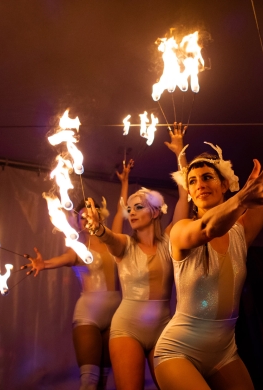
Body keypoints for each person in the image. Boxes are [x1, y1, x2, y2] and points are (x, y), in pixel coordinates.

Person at [152, 86, 263, 390]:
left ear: (225, 184)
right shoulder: (180, 230)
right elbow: (210, 228)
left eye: (207, 177)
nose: (199, 184)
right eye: (192, 181)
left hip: (225, 352)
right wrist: (242, 200)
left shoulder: (241, 230)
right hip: (177, 352)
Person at [84, 123, 189, 390]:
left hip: (163, 330)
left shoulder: (170, 240)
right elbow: (108, 236)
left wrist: (180, 154)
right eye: (129, 208)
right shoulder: (124, 245)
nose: (131, 212)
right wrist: (97, 227)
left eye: (138, 207)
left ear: (155, 212)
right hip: (126, 329)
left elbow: (184, 195)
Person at [22, 198, 121, 390]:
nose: (86, 219)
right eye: (81, 217)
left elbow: (120, 210)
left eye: (90, 214)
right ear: (77, 223)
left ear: (100, 217)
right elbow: (63, 259)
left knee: (103, 379)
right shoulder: (78, 249)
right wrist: (44, 264)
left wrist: (125, 182)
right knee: (89, 382)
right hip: (89, 315)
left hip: (115, 316)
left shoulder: (114, 241)